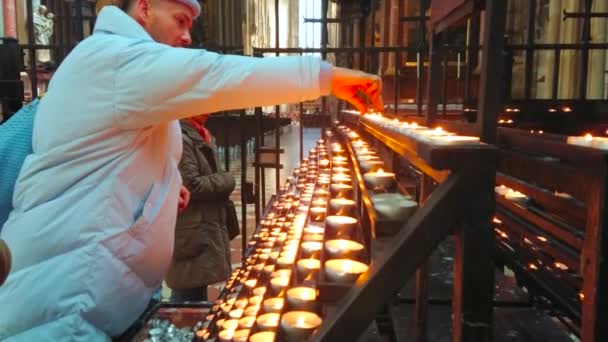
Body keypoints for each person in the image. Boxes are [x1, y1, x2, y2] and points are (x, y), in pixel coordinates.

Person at [0, 0, 383, 340]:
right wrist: (326, 78)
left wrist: (164, 190)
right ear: (145, 8)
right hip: (61, 302)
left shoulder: (126, 69)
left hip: (92, 297)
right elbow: (214, 74)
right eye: (180, 20)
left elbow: (116, 159)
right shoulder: (117, 60)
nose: (186, 36)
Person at [165, 113, 234, 302]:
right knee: (187, 290)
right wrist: (228, 180)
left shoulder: (201, 134)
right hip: (190, 228)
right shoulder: (180, 136)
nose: (209, 110)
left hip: (203, 223)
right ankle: (178, 329)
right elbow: (192, 184)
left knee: (197, 286)